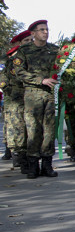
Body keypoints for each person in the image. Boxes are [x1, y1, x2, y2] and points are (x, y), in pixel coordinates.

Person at [13, 20, 59, 178]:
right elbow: (19, 71)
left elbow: (61, 68)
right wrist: (40, 80)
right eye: (41, 30)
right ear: (33, 33)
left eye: (47, 29)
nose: (45, 32)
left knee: (49, 130)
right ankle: (33, 165)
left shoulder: (54, 50)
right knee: (33, 130)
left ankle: (47, 164)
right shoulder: (24, 51)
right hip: (33, 94)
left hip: (50, 94)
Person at [0, 30, 32, 171]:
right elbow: (2, 78)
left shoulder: (33, 56)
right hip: (14, 97)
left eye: (31, 41)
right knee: (15, 127)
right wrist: (7, 89)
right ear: (19, 43)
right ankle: (16, 154)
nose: (29, 44)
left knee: (30, 127)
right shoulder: (9, 59)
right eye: (26, 41)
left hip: (31, 96)